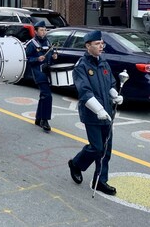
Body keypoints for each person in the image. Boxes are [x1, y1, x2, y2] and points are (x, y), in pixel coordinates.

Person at [67, 30, 123, 196]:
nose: (101, 46)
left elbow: (110, 82)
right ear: (88, 46)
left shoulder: (103, 62)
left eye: (101, 43)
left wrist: (115, 95)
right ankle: (76, 164)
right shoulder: (81, 66)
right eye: (97, 44)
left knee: (106, 148)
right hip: (92, 113)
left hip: (107, 112)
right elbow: (85, 92)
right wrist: (98, 110)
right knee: (97, 147)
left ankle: (100, 181)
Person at [25, 20, 58, 132]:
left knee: (44, 95)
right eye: (42, 30)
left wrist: (54, 56)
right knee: (47, 95)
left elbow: (52, 53)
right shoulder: (32, 44)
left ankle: (38, 118)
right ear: (35, 31)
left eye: (45, 30)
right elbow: (26, 59)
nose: (44, 32)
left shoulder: (48, 42)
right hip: (38, 72)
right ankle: (45, 120)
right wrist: (36, 59)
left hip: (47, 72)